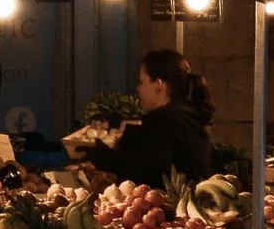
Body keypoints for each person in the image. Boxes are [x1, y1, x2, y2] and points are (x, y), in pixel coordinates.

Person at [76, 49, 216, 183]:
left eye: (142, 82)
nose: (138, 89)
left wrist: (103, 157)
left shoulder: (163, 120)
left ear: (158, 85)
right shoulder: (189, 117)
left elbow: (151, 169)